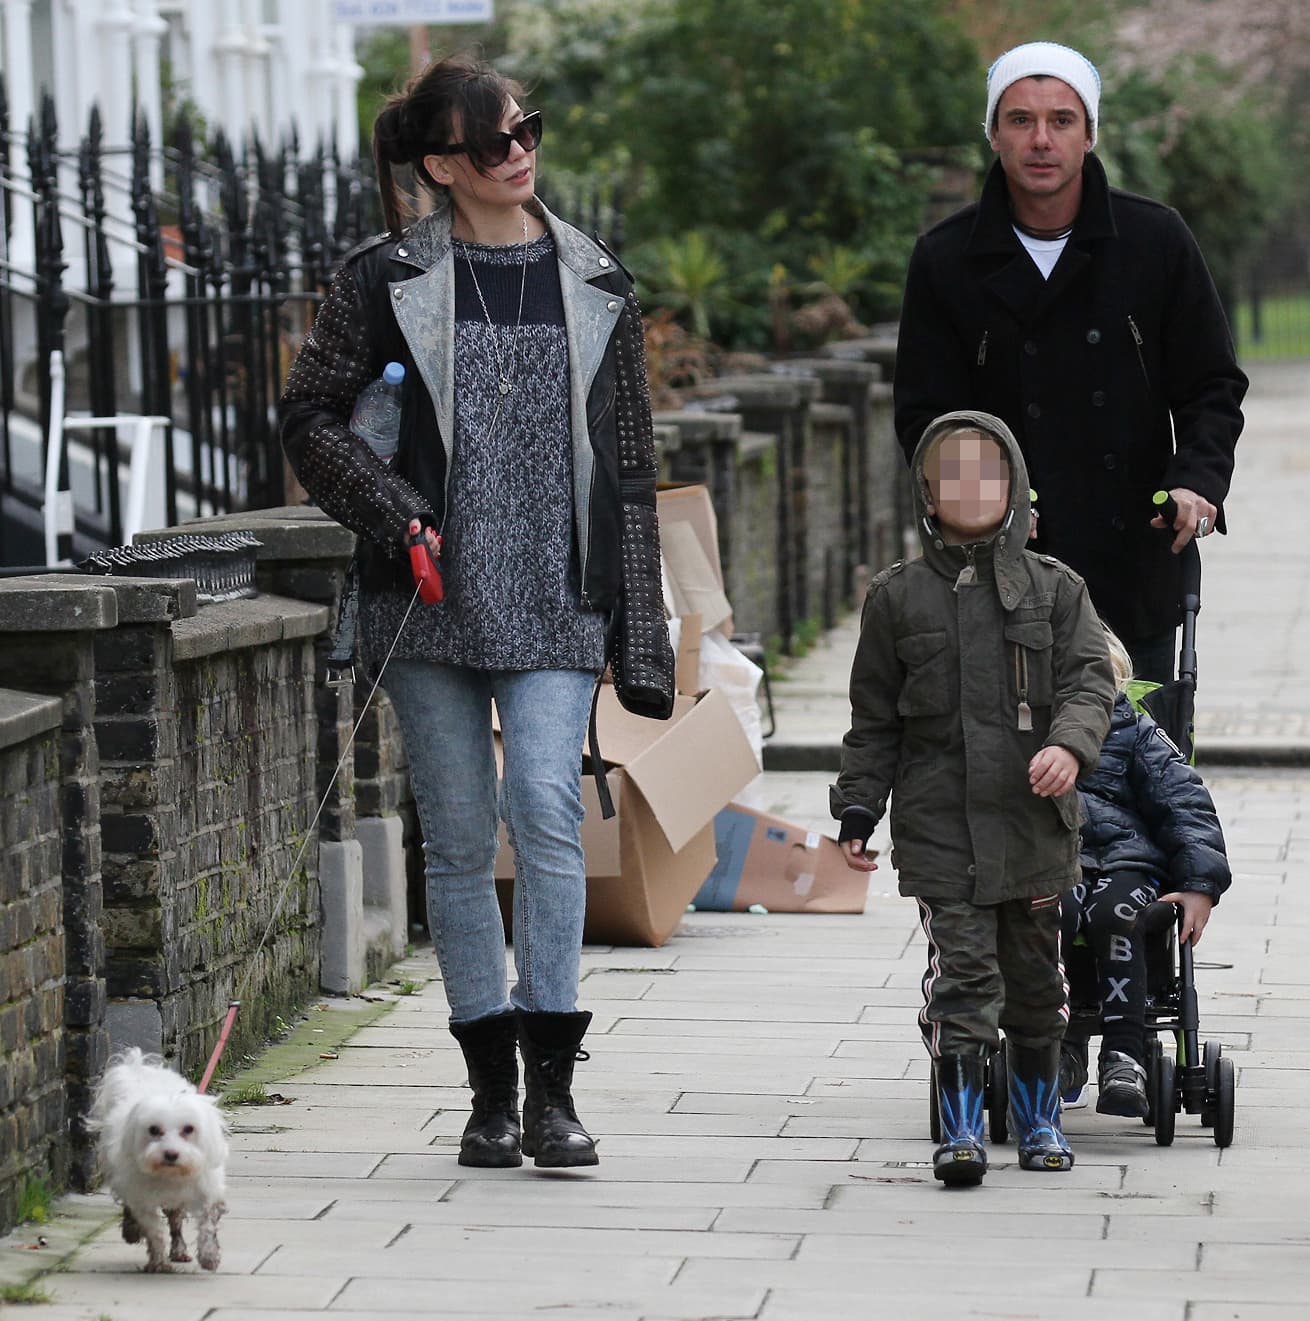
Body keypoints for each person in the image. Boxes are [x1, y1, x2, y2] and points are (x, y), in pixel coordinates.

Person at [279, 54, 674, 1170]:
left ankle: (555, 1090)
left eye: (528, 128)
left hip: (555, 594)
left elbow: (631, 467)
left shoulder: (596, 277)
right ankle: (488, 1094)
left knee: (546, 809)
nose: (521, 151)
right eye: (496, 141)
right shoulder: (381, 280)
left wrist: (640, 630)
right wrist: (392, 508)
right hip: (427, 600)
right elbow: (310, 418)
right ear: (444, 163)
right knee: (456, 840)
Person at [893, 40, 1247, 684]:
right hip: (1001, 554)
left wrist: (1198, 481)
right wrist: (986, 501)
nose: (1041, 140)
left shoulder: (1155, 241)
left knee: (1135, 758)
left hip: (1132, 550)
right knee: (1013, 768)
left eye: (1062, 120)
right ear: (993, 135)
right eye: (1020, 120)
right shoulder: (945, 260)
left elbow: (1211, 385)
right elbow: (926, 413)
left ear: (1089, 136)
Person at [832, 410, 1114, 1186]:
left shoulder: (1058, 591)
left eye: (986, 474)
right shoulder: (896, 599)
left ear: (1015, 486)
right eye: (950, 476)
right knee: (964, 977)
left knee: (1033, 982)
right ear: (925, 492)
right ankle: (958, 1126)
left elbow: (1093, 681)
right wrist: (860, 807)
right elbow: (873, 719)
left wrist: (1069, 743)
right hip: (940, 831)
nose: (970, 491)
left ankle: (1037, 1117)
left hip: (1032, 830)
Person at [1059, 627, 1231, 1117]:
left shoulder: (1136, 733)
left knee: (1116, 914)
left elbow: (1186, 808)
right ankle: (1060, 1044)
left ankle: (1123, 1056)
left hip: (1127, 863)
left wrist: (1199, 884)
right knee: (1052, 911)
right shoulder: (1028, 734)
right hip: (1053, 860)